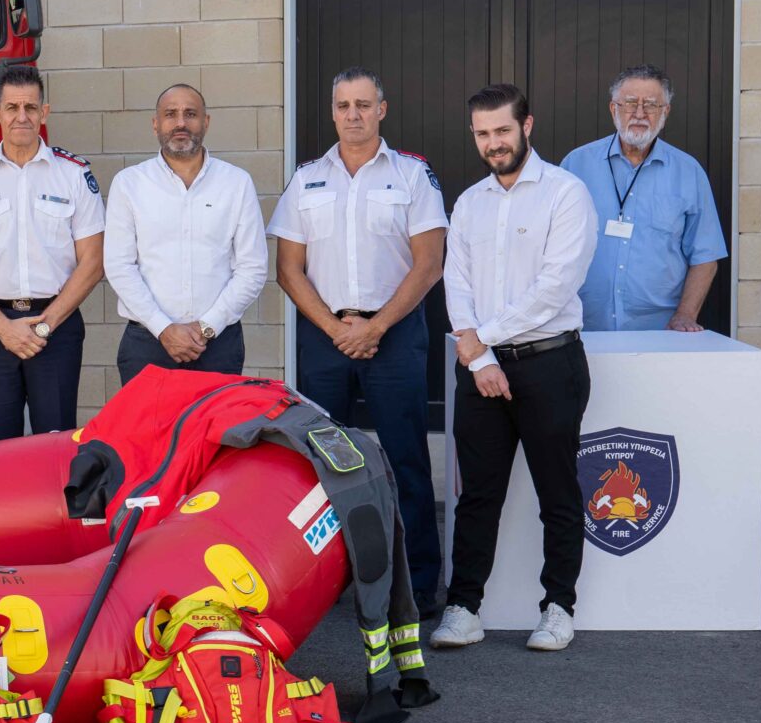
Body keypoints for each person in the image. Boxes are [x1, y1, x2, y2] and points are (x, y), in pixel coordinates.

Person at [270, 68, 448, 612]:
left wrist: (374, 328)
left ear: (382, 110)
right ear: (332, 112)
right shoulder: (306, 178)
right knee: (322, 466)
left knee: (405, 461)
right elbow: (288, 268)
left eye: (363, 105)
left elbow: (429, 263)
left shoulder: (413, 175)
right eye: (344, 105)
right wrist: (335, 329)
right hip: (326, 338)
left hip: (392, 335)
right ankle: (325, 584)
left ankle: (418, 586)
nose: (353, 114)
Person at [435, 83, 598, 654]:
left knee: (558, 492)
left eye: (502, 130)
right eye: (482, 133)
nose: (493, 143)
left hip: (550, 364)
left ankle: (558, 606)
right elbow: (455, 280)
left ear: (526, 125)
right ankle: (464, 607)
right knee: (477, 494)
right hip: (479, 369)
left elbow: (556, 286)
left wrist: (485, 341)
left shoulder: (566, 194)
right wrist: (477, 356)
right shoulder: (471, 201)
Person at [0, 64, 105, 441]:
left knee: (57, 443)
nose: (22, 116)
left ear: (44, 113)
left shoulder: (74, 174)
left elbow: (93, 263)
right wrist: (4, 329)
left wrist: (44, 325)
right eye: (12, 108)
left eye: (31, 107)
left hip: (56, 327)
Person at [102, 83, 267, 381]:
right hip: (146, 344)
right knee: (148, 430)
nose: (180, 123)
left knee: (215, 430)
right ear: (156, 124)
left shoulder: (236, 183)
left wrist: (206, 328)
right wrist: (164, 329)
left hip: (218, 345)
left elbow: (252, 268)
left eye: (190, 114)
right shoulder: (129, 184)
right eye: (170, 114)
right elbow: (119, 266)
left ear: (206, 122)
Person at [561, 65, 727, 332]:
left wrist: (685, 315)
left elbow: (706, 255)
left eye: (651, 105)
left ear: (666, 112)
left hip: (660, 332)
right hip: (581, 328)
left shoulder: (688, 172)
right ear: (613, 109)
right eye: (629, 103)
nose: (639, 114)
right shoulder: (576, 165)